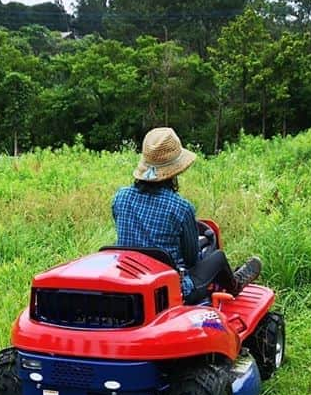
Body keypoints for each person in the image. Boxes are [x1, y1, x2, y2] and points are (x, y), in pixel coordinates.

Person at [112, 127, 261, 305]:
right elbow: (191, 260)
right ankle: (234, 284)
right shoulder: (181, 208)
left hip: (130, 284)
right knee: (218, 257)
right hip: (172, 292)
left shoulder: (121, 197)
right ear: (175, 171)